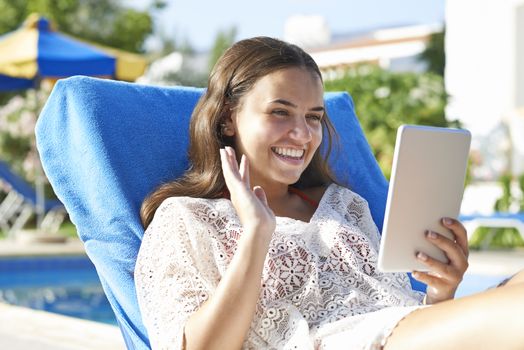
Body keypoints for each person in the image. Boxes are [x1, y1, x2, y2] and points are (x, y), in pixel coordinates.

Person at [134, 36, 524, 350]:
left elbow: (392, 309)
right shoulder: (185, 219)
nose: (302, 134)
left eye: (314, 117)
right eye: (280, 112)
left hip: (397, 330)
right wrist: (255, 232)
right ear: (227, 119)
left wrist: (440, 293)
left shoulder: (344, 206)